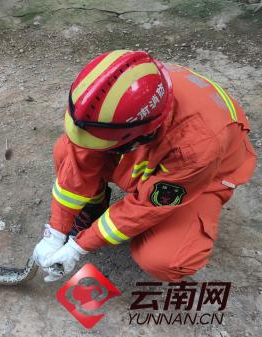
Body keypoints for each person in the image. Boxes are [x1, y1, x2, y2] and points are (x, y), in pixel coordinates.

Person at [33, 50, 257, 282]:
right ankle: (92, 207)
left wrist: (78, 247)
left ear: (140, 137)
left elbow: (148, 206)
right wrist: (55, 232)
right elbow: (79, 158)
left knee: (166, 260)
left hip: (202, 176)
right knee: (65, 150)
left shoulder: (198, 145)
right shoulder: (111, 97)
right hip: (148, 144)